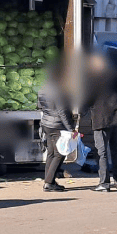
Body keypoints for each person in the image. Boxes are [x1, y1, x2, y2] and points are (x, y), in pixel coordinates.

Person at [86, 52, 117, 192]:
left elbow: (88, 98)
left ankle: (104, 183)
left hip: (101, 118)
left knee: (101, 151)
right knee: (116, 151)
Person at [38, 64, 76, 192]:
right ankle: (49, 183)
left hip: (47, 124)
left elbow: (40, 106)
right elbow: (62, 111)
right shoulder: (59, 90)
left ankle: (49, 180)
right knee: (59, 153)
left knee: (51, 153)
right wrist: (71, 129)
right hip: (57, 125)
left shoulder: (42, 88)